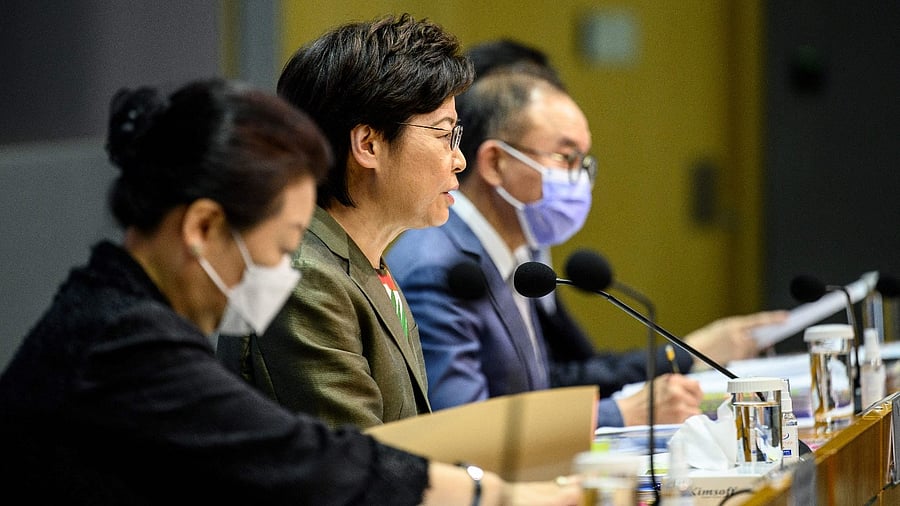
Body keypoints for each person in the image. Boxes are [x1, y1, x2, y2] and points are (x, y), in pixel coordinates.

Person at [0, 78, 580, 505]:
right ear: (202, 228)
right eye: (280, 247)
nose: (286, 270)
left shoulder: (118, 310)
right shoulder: (123, 340)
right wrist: (493, 495)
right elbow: (302, 454)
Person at [385, 67, 787, 427]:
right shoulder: (440, 267)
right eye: (566, 157)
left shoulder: (516, 254)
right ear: (494, 163)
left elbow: (530, 392)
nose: (579, 179)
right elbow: (463, 424)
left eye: (584, 162)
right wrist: (620, 414)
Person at [215, 13, 472, 430]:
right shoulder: (302, 279)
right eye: (445, 136)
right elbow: (357, 467)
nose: (459, 159)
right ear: (368, 144)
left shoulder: (358, 259)